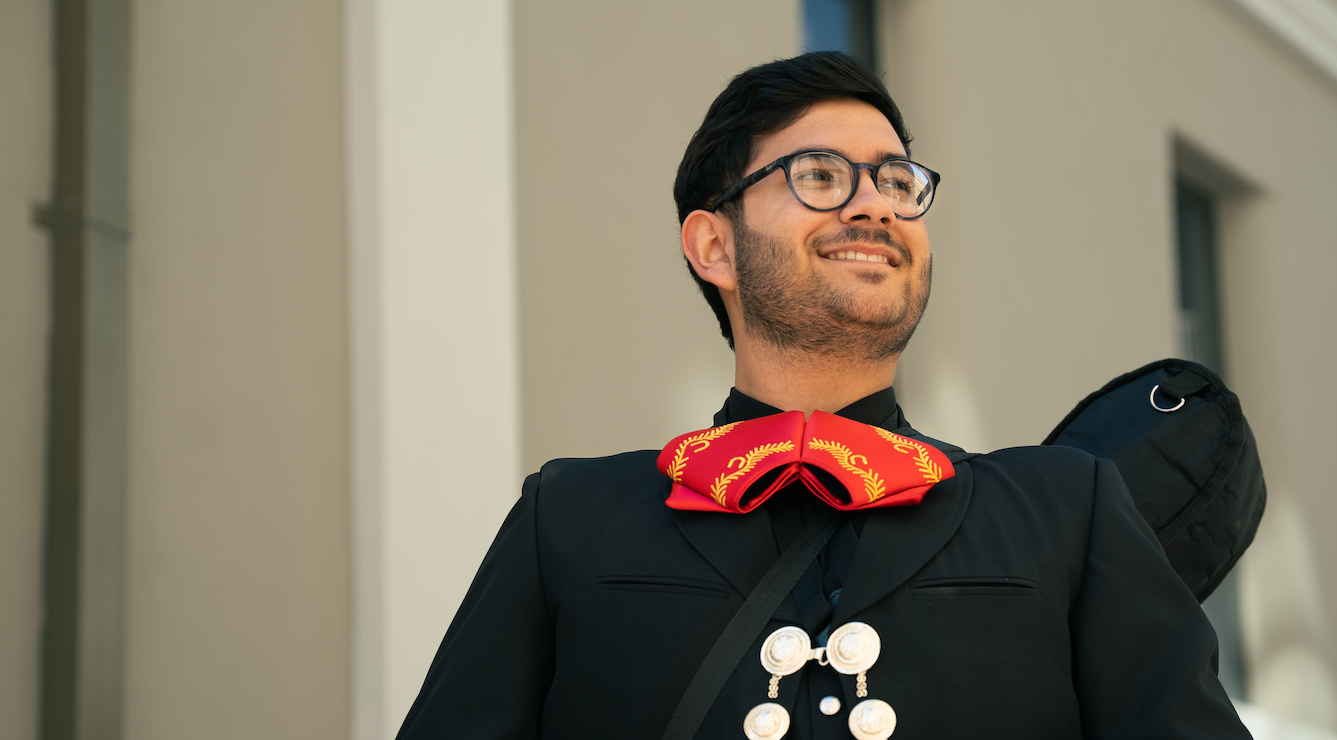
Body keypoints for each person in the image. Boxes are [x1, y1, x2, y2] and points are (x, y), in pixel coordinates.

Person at [397, 52, 1250, 740]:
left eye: (895, 179)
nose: (875, 205)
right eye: (820, 174)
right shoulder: (570, 519)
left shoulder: (1069, 506)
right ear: (714, 245)